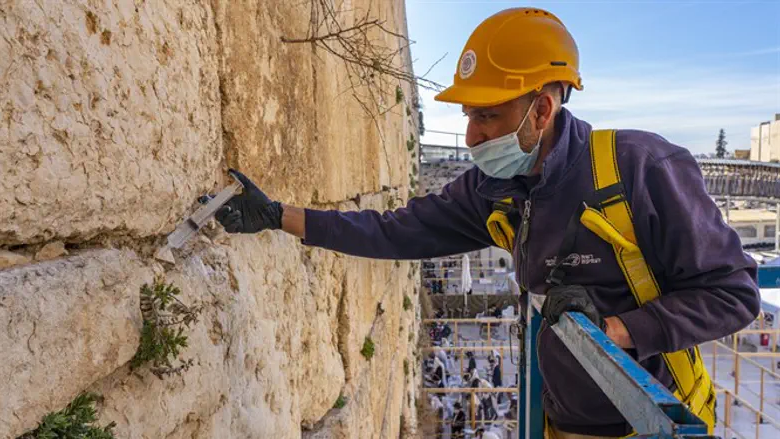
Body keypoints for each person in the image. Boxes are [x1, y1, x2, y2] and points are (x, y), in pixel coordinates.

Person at [210, 6, 760, 438]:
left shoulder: (638, 168)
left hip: (653, 420)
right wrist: (280, 216)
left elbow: (734, 294)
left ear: (541, 110)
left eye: (487, 115)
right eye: (468, 115)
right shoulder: (494, 191)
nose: (471, 136)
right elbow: (394, 231)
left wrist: (616, 330)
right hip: (561, 419)